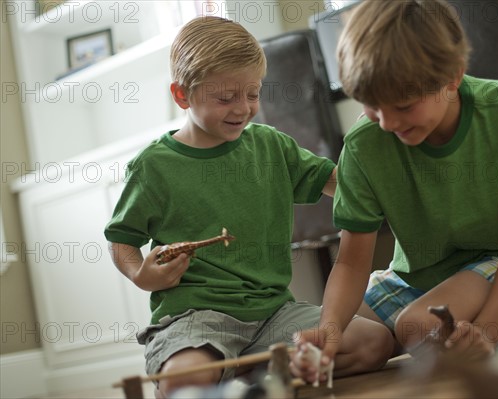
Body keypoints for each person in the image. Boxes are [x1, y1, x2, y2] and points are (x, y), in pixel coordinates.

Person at [104, 15, 393, 397]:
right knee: (183, 380)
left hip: (275, 313)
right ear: (182, 95)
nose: (243, 108)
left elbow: (339, 184)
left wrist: (370, 151)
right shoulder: (153, 166)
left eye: (253, 94)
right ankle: (245, 377)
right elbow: (120, 239)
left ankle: (252, 380)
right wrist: (142, 275)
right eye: (225, 98)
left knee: (374, 343)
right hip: (196, 319)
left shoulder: (271, 145)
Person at [291, 0, 498, 383]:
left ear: (453, 77)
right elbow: (352, 262)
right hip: (419, 274)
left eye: (403, 105)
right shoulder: (363, 146)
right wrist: (329, 336)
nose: (386, 123)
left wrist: (488, 331)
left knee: (417, 328)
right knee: (354, 343)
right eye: (371, 106)